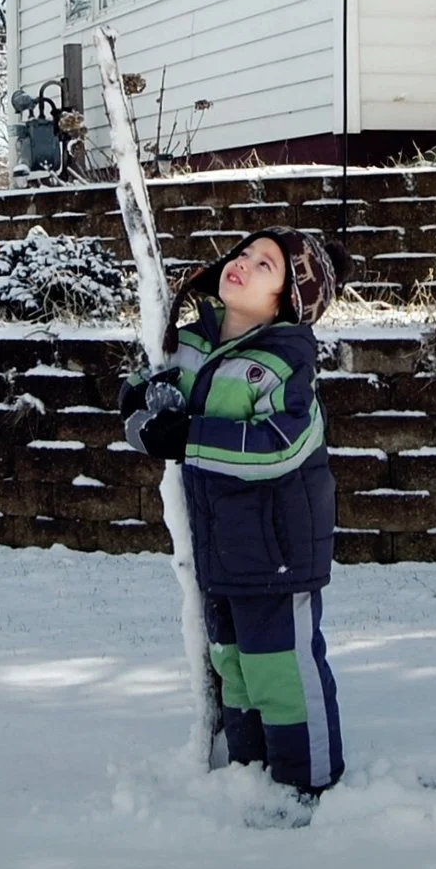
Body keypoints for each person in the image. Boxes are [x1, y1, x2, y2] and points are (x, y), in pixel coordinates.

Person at [122, 225, 348, 800]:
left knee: (281, 670)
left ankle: (306, 785)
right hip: (219, 545)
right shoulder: (194, 341)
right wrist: (141, 403)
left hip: (278, 548)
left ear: (287, 301)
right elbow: (152, 386)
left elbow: (279, 443)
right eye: (244, 252)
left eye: (266, 265)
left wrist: (188, 435)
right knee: (234, 665)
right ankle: (250, 776)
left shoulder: (285, 363)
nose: (243, 263)